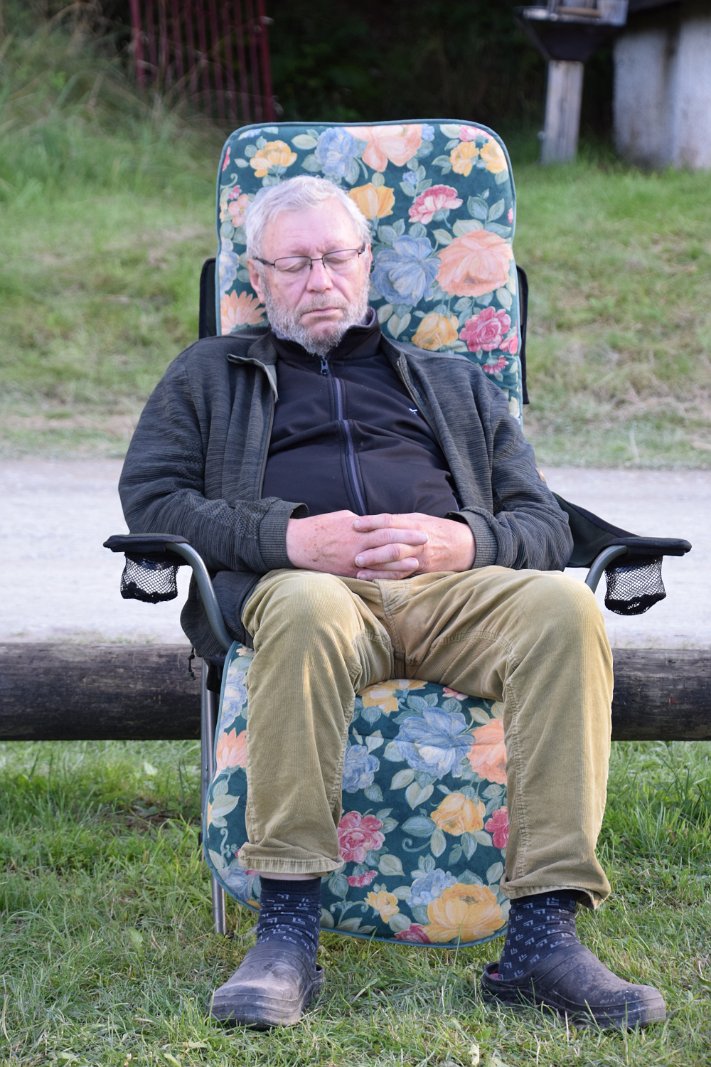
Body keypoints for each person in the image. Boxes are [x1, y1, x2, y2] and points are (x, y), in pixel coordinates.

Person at [119, 175, 666, 1032]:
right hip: (308, 592)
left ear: (366, 262)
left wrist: (461, 542)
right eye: (294, 263)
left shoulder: (452, 382)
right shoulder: (209, 374)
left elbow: (541, 522)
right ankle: (286, 932)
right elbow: (152, 500)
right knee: (305, 604)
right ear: (256, 278)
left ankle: (542, 939)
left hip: (454, 594)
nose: (319, 278)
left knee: (563, 611)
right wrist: (289, 538)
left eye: (336, 257)